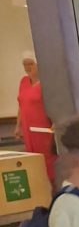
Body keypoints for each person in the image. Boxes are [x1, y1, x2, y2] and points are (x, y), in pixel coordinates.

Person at [15, 52, 56, 183]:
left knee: (48, 158)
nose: (27, 67)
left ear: (38, 64)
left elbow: (54, 104)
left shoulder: (46, 83)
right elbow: (21, 105)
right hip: (28, 129)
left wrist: (55, 121)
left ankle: (53, 186)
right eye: (25, 64)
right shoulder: (23, 81)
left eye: (31, 64)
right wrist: (18, 126)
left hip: (43, 127)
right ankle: (39, 185)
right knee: (33, 158)